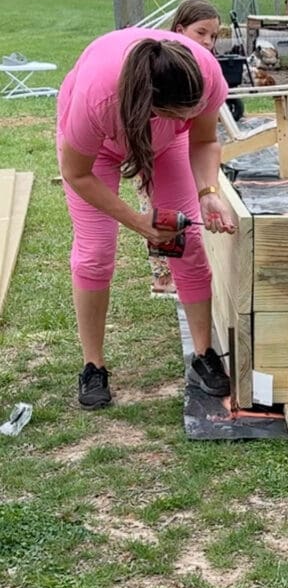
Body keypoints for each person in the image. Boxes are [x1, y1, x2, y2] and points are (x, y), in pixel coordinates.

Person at [57, 26, 235, 409]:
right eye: (182, 115)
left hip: (165, 144)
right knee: (95, 252)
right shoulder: (98, 98)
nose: (191, 119)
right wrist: (138, 222)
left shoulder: (204, 74)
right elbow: (76, 173)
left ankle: (203, 355)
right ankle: (93, 366)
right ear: (154, 107)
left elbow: (203, 140)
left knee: (184, 241)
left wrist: (208, 193)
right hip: (95, 153)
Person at [136, 0, 221, 296]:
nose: (208, 41)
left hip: (175, 142)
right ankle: (162, 276)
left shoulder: (206, 68)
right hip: (147, 144)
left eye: (214, 36)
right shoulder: (160, 67)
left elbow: (204, 137)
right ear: (180, 30)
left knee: (178, 213)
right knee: (156, 212)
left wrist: (208, 191)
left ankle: (180, 274)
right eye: (201, 33)